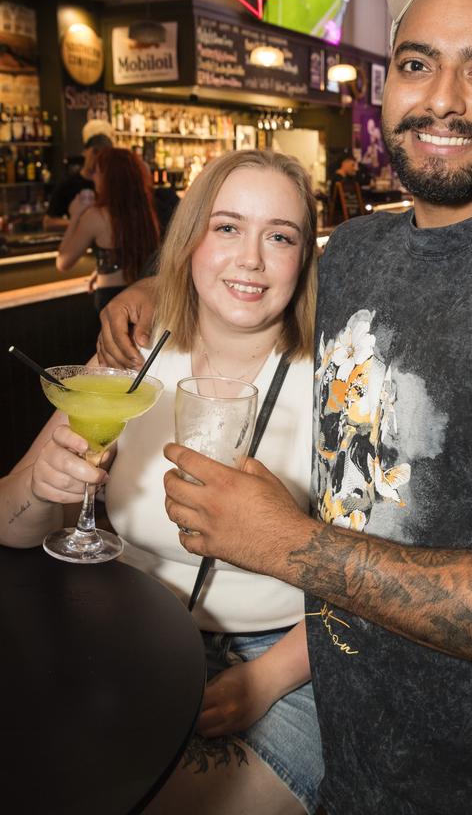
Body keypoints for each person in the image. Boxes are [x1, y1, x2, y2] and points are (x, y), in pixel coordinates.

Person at [100, 0, 472, 815]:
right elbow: (244, 282)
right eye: (416, 62)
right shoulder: (355, 251)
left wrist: (289, 545)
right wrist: (145, 302)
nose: (443, 99)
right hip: (349, 752)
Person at [5, 150, 323, 815]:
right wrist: (48, 482)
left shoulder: (340, 386)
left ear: (304, 257)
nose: (252, 260)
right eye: (228, 227)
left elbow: (367, 585)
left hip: (289, 663)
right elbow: (10, 520)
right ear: (191, 239)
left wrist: (262, 681)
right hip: (128, 638)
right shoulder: (132, 358)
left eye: (281, 236)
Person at [56, 146, 160, 312]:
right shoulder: (145, 212)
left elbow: (63, 262)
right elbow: (131, 253)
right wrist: (101, 269)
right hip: (145, 297)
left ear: (108, 178)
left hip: (111, 299)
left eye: (96, 172)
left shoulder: (96, 215)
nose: (93, 177)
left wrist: (75, 215)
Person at [43, 119, 113, 232]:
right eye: (95, 152)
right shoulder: (68, 184)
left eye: (104, 153)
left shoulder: (113, 184)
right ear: (84, 152)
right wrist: (79, 223)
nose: (99, 157)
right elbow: (48, 222)